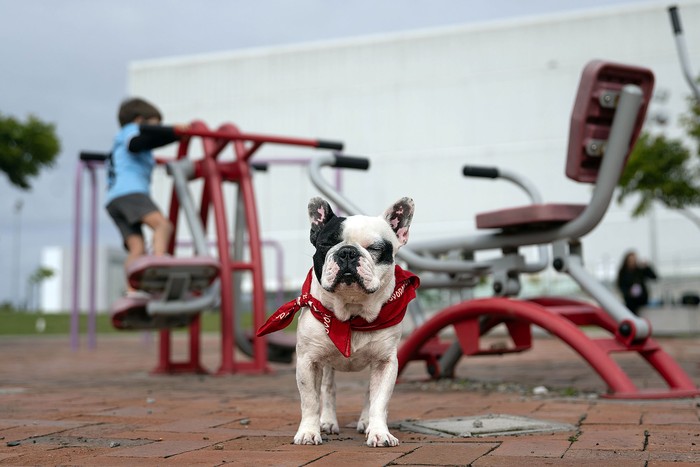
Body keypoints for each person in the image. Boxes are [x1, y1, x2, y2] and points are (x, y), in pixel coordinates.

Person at [105, 97, 183, 296]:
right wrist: (176, 133)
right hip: (130, 193)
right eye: (155, 127)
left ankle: (132, 291)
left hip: (114, 200)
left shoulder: (120, 142)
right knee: (163, 225)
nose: (157, 132)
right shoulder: (130, 131)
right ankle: (159, 264)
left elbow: (143, 145)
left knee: (137, 248)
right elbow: (137, 143)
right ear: (139, 120)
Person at [616, 250, 657, 315]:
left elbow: (654, 277)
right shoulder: (623, 272)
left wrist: (647, 267)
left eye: (634, 260)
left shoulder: (640, 270)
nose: (632, 262)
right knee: (630, 303)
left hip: (641, 297)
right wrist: (628, 293)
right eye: (630, 260)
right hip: (629, 298)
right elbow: (620, 285)